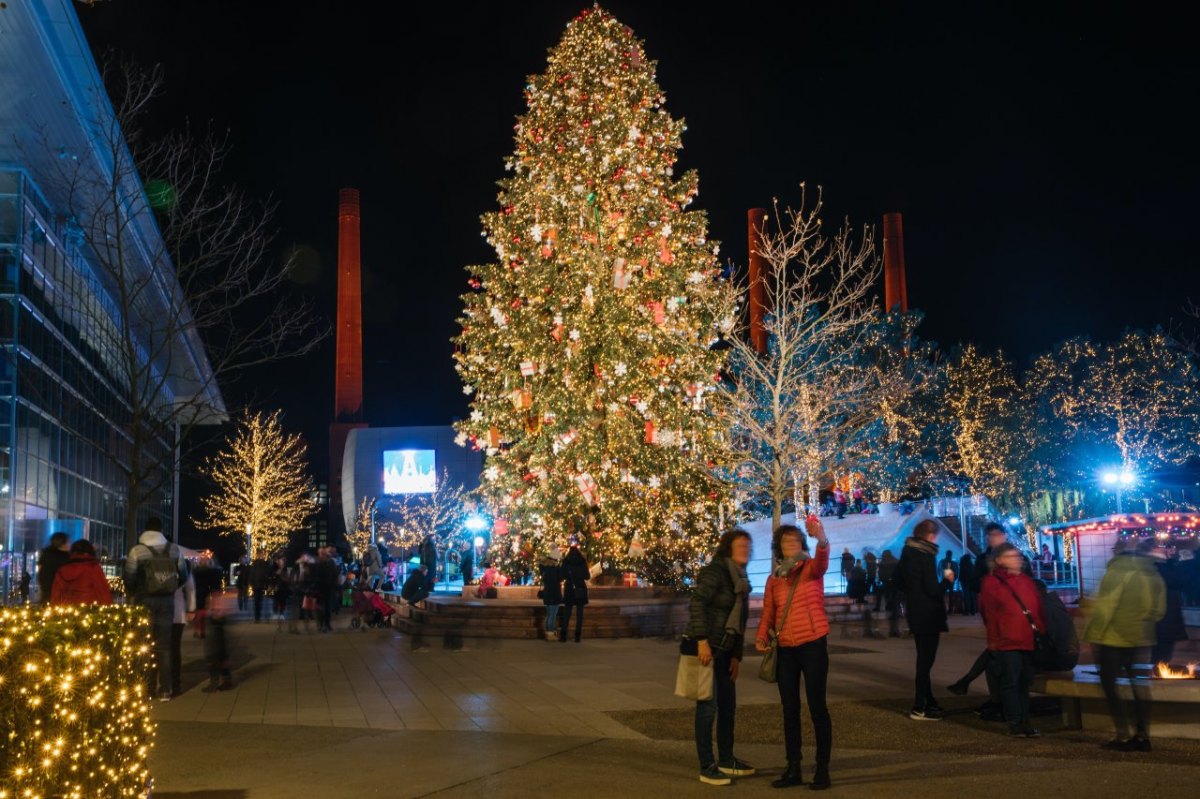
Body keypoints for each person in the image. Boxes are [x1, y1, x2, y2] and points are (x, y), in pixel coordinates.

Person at [755, 519, 832, 790]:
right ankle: (793, 767)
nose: (791, 545)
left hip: (812, 644)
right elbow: (769, 613)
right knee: (789, 710)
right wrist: (762, 635)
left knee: (817, 706)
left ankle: (822, 768)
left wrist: (821, 538)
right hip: (786, 648)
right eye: (786, 542)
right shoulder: (774, 579)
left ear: (801, 544)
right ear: (779, 547)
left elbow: (823, 559)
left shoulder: (810, 569)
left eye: (796, 541)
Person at [686, 529, 754, 786]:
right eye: (739, 546)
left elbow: (741, 621)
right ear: (728, 548)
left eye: (747, 546)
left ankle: (726, 758)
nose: (744, 550)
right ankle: (707, 765)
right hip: (707, 646)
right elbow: (697, 603)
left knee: (728, 706)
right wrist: (702, 640)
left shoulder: (741, 577)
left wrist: (737, 655)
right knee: (707, 707)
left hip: (726, 650)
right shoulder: (715, 571)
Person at [1083, 539, 1166, 751]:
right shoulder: (1153, 574)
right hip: (1142, 641)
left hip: (1114, 641)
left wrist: (1093, 636)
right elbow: (1158, 611)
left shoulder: (1116, 573)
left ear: (1117, 553)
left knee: (1110, 685)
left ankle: (1122, 734)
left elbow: (1105, 608)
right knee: (1139, 685)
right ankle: (1142, 735)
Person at [979, 543, 1046, 737]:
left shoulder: (1026, 581)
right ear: (999, 560)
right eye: (1011, 556)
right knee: (1011, 682)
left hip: (1027, 638)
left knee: (1024, 683)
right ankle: (1015, 722)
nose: (1017, 559)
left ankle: (1025, 721)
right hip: (1007, 640)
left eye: (1017, 556)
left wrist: (1040, 630)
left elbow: (1037, 608)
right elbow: (989, 613)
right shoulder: (992, 583)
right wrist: (994, 640)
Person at [123, 518, 189, 702]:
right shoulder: (174, 550)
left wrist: (136, 591)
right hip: (167, 602)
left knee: (144, 645)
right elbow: (184, 575)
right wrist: (170, 587)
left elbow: (128, 577)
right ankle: (165, 690)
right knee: (165, 647)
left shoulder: (138, 551)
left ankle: (146, 688)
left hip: (144, 600)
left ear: (145, 531)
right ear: (161, 531)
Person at [896, 519, 947, 720]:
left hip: (915, 611)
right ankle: (919, 706)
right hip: (929, 614)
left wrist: (912, 592)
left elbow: (898, 580)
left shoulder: (907, 553)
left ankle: (930, 701)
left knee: (923, 658)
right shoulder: (926, 555)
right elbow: (933, 590)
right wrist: (947, 581)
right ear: (931, 536)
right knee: (925, 662)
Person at [1151, 546, 1189, 665]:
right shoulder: (1159, 567)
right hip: (1165, 614)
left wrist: (1171, 561)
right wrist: (1185, 562)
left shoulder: (1157, 567)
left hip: (1164, 614)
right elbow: (1178, 581)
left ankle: (1158, 670)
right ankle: (1158, 672)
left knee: (1161, 649)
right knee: (1162, 650)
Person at [50, 539, 113, 605]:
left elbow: (56, 594)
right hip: (90, 610)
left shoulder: (62, 570)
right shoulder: (93, 568)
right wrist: (109, 609)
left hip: (66, 611)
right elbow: (103, 591)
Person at [1035, 579, 1079, 671]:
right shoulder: (1053, 603)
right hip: (1068, 657)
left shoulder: (1047, 608)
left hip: (1061, 660)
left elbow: (1048, 637)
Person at [171, 564, 196, 698]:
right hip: (178, 612)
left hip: (157, 612)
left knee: (157, 649)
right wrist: (191, 609)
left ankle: (154, 686)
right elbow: (190, 588)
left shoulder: (153, 560)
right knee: (175, 649)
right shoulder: (181, 564)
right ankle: (175, 685)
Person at [560, 543, 589, 643]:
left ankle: (563, 635)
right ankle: (577, 636)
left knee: (567, 612)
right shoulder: (582, 562)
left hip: (569, 588)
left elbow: (562, 576)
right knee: (579, 614)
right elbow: (587, 576)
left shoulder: (566, 562)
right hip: (580, 588)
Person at [191, 556, 222, 639]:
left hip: (196, 593)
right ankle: (202, 631)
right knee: (203, 614)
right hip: (205, 593)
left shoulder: (194, 572)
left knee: (197, 613)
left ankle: (196, 630)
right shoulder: (210, 572)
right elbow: (214, 582)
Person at [36, 531, 71, 603]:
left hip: (47, 591)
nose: (69, 544)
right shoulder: (65, 557)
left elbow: (41, 572)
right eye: (67, 542)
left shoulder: (46, 554)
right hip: (59, 592)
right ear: (62, 543)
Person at [538, 548, 563, 641]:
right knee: (553, 614)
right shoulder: (555, 569)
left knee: (549, 614)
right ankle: (550, 633)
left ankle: (548, 632)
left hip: (547, 593)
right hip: (554, 593)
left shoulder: (544, 568)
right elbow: (560, 578)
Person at [939, 550, 958, 615]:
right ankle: (950, 609)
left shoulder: (941, 562)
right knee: (951, 595)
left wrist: (941, 578)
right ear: (951, 555)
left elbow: (938, 571)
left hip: (943, 580)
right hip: (951, 580)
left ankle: (942, 609)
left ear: (946, 554)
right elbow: (956, 572)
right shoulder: (954, 563)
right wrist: (954, 579)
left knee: (941, 595)